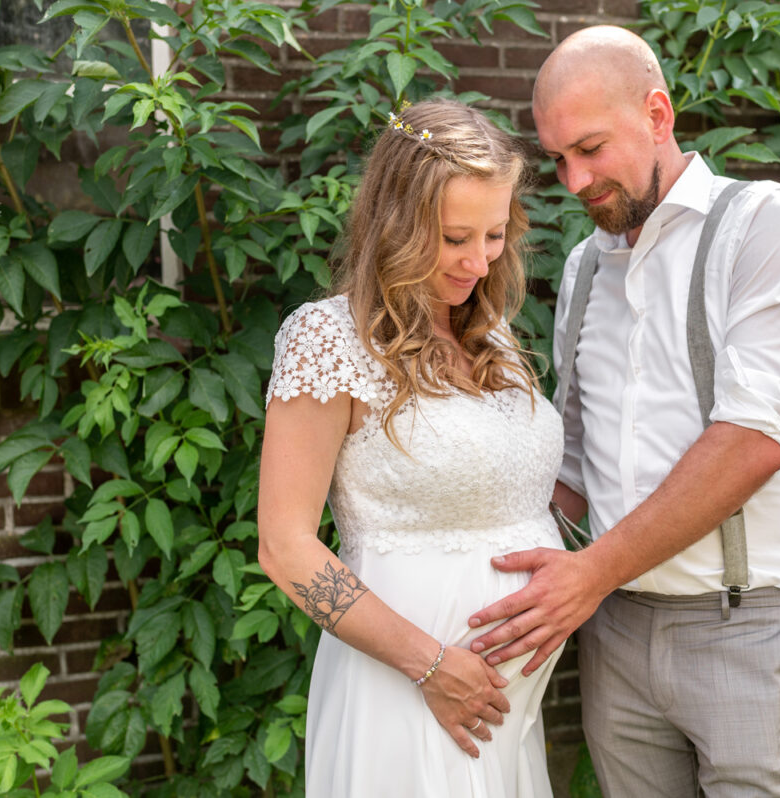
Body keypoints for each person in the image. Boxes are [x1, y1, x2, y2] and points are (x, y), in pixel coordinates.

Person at [466, 25, 780, 797]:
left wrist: (590, 572)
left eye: (591, 148)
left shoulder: (763, 224)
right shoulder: (583, 268)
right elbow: (574, 461)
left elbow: (755, 438)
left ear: (659, 114)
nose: (573, 180)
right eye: (559, 159)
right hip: (613, 632)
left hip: (746, 626)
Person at [257, 98, 565, 798]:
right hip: (409, 690)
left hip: (502, 713)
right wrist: (431, 666)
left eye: (494, 235)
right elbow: (284, 546)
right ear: (396, 223)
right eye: (454, 237)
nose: (479, 262)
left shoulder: (495, 337)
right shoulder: (329, 340)